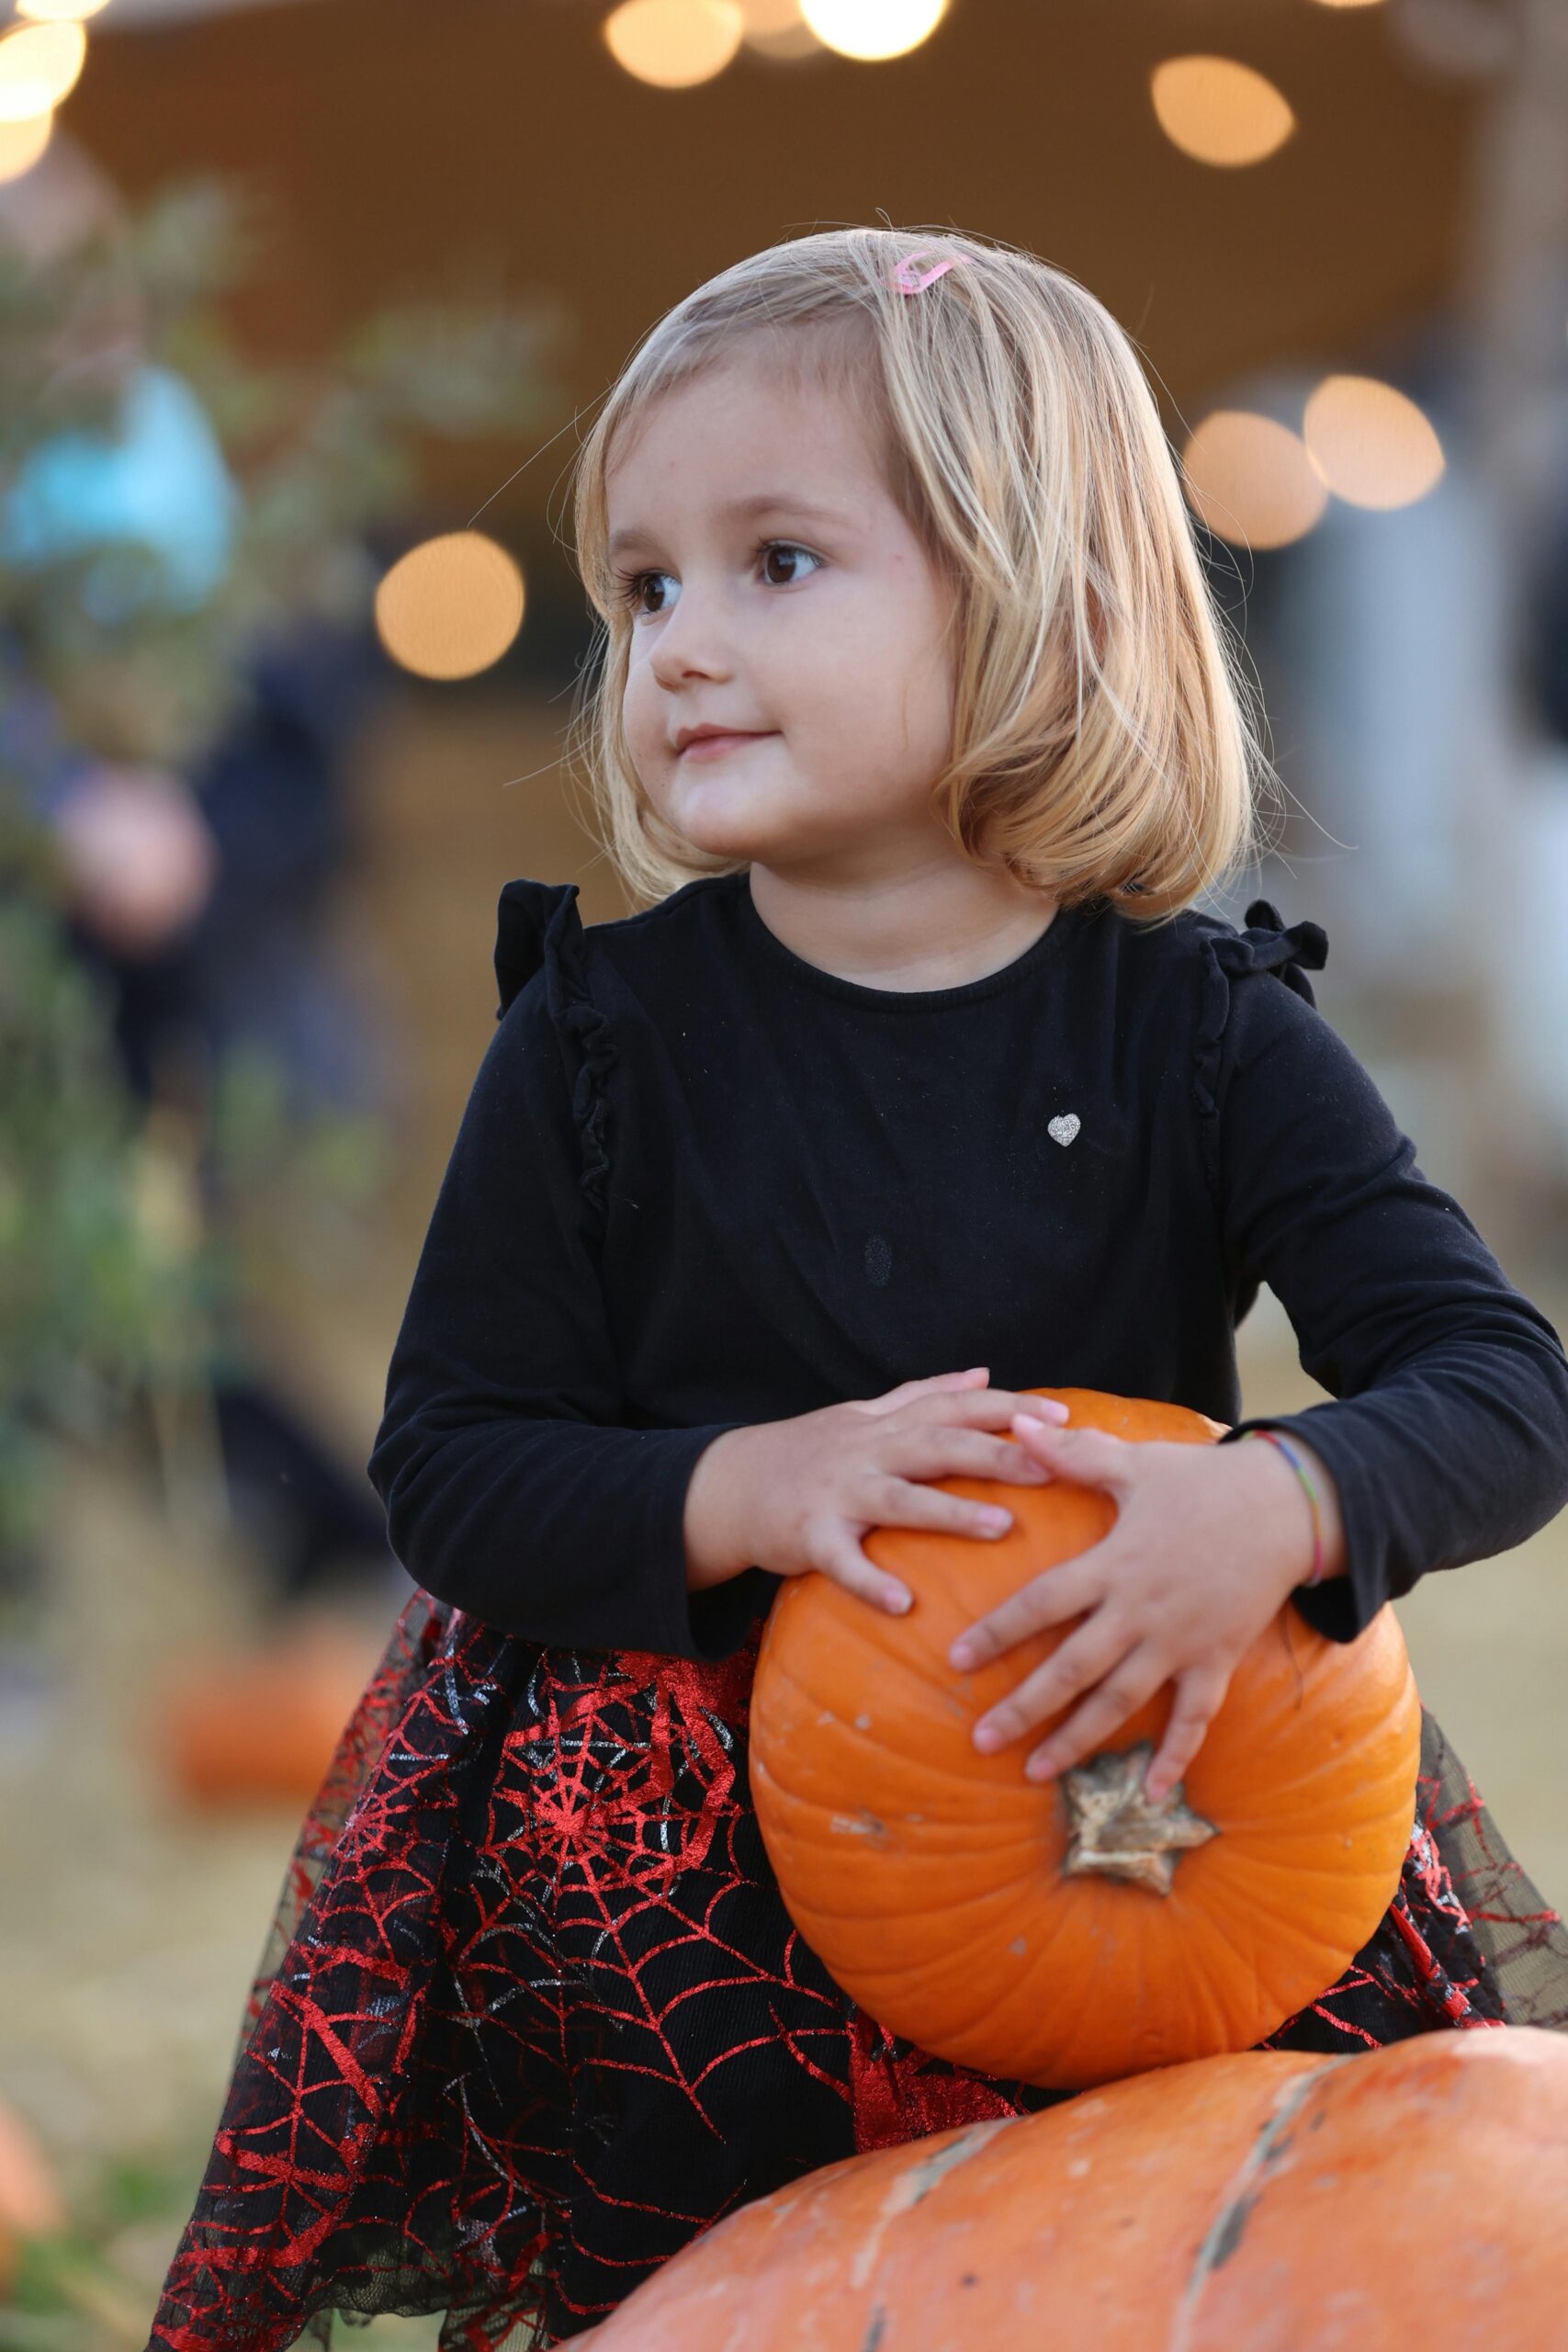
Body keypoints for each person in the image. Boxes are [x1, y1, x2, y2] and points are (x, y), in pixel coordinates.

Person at [146, 227, 1568, 2352]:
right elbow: (450, 1463)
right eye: (644, 586)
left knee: (1190, 2249)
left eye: (776, 563)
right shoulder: (599, 1045)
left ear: (1032, 599)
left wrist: (1276, 1500)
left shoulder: (1196, 1033)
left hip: (1128, 1796)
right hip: (678, 1869)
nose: (680, 645)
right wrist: (740, 1486)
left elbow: (1501, 1380)